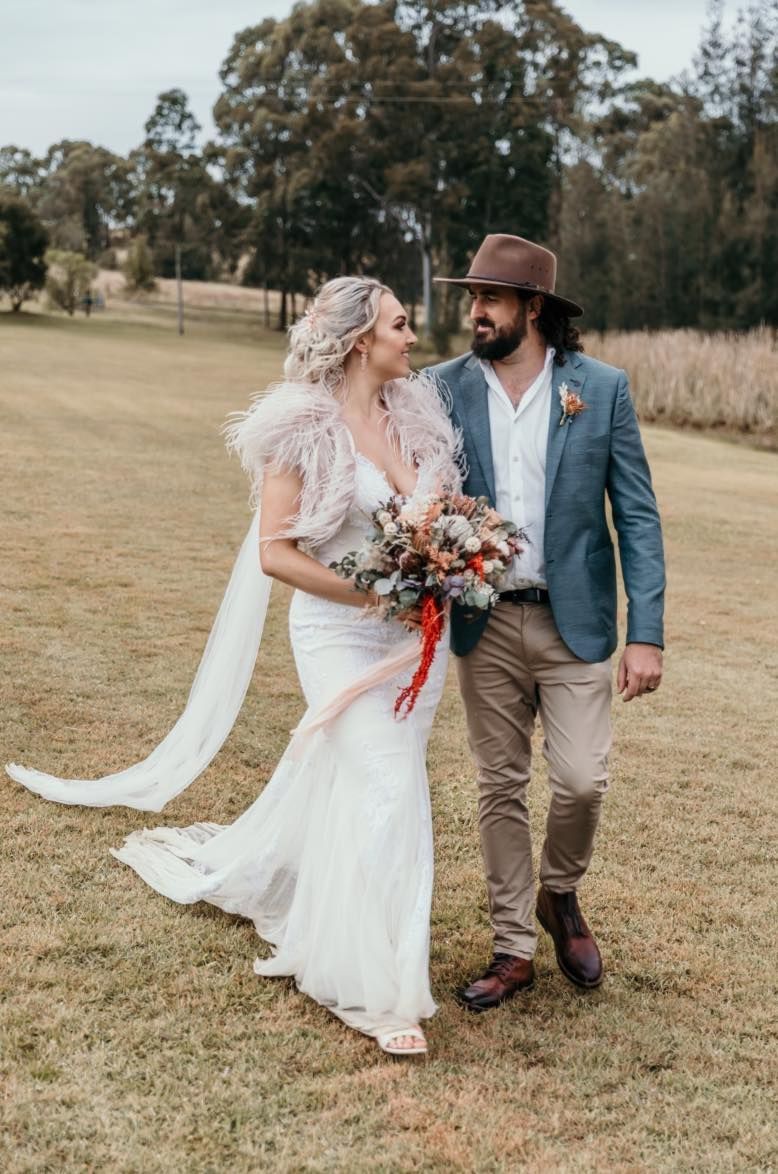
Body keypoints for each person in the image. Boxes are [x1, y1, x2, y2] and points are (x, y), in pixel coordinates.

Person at [6, 276, 462, 1057]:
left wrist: (444, 563)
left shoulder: (417, 420)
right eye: (400, 323)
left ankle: (333, 911)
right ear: (360, 340)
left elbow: (433, 519)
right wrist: (367, 594)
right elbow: (276, 553)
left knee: (378, 781)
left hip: (413, 641)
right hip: (339, 633)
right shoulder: (298, 428)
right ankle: (367, 985)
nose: (412, 336)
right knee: (389, 785)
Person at [428, 234, 665, 1010]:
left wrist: (646, 632)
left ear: (534, 308)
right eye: (472, 298)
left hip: (577, 624)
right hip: (485, 619)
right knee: (499, 785)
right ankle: (512, 948)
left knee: (581, 781)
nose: (476, 311)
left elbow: (636, 515)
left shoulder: (601, 390)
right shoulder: (440, 387)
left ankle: (558, 892)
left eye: (489, 298)